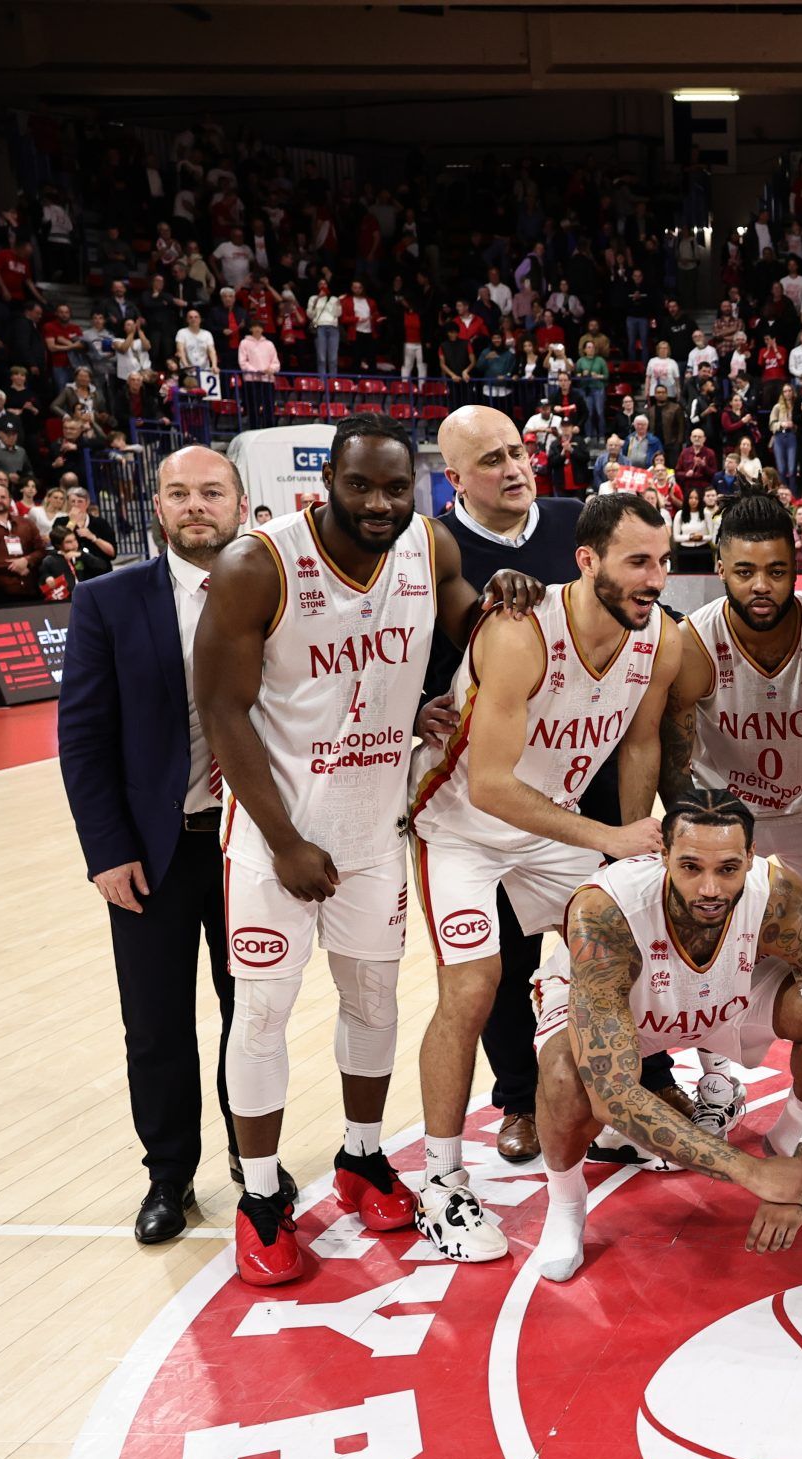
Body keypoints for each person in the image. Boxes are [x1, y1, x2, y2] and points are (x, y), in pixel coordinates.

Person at [194, 412, 543, 1286]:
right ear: (328, 487)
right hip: (279, 839)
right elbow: (222, 713)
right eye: (363, 486)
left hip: (377, 830)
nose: (382, 502)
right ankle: (264, 1197)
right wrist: (283, 840)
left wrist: (503, 601)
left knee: (375, 1001)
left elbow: (467, 626)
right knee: (263, 1012)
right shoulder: (256, 566)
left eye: (397, 486)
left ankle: (360, 1158)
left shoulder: (430, 549)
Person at [406, 491, 685, 1260]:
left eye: (663, 561)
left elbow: (638, 744)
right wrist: (610, 835)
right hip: (461, 823)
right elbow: (492, 782)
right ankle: (441, 1183)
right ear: (587, 559)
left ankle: (612, 1112)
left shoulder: (659, 637)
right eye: (637, 561)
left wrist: (629, 855)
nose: (655, 578)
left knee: (613, 963)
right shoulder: (520, 632)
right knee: (472, 988)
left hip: (548, 822)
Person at [657, 491, 802, 1222]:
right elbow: (670, 756)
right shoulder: (694, 641)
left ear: (801, 567)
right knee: (707, 952)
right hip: (726, 817)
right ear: (718, 565)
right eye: (745, 570)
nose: (761, 585)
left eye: (778, 569)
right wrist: (696, 835)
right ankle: (718, 1076)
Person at [529, 797, 802, 1281]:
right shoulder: (603, 912)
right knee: (567, 1075)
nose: (710, 888)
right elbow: (615, 1098)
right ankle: (565, 1205)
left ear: (752, 857)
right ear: (662, 855)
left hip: (725, 998)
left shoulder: (779, 898)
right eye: (690, 867)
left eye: (728, 868)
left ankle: (789, 1142)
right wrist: (751, 1174)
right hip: (630, 1009)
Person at [57, 447, 256, 1240]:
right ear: (158, 507)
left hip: (253, 845)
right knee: (158, 1023)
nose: (195, 505)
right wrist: (106, 851)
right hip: (154, 847)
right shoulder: (108, 599)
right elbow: (84, 736)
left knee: (255, 1014)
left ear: (242, 502)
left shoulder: (278, 594)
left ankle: (256, 1157)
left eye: (212, 491)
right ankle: (169, 1174)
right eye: (179, 493)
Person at [432, 404, 591, 1164]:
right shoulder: (433, 546)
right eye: (491, 459)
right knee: (502, 959)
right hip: (487, 790)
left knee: (613, 934)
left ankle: (642, 1072)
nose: (514, 466)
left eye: (518, 450)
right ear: (455, 477)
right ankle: (521, 1100)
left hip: (584, 767)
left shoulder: (579, 523)